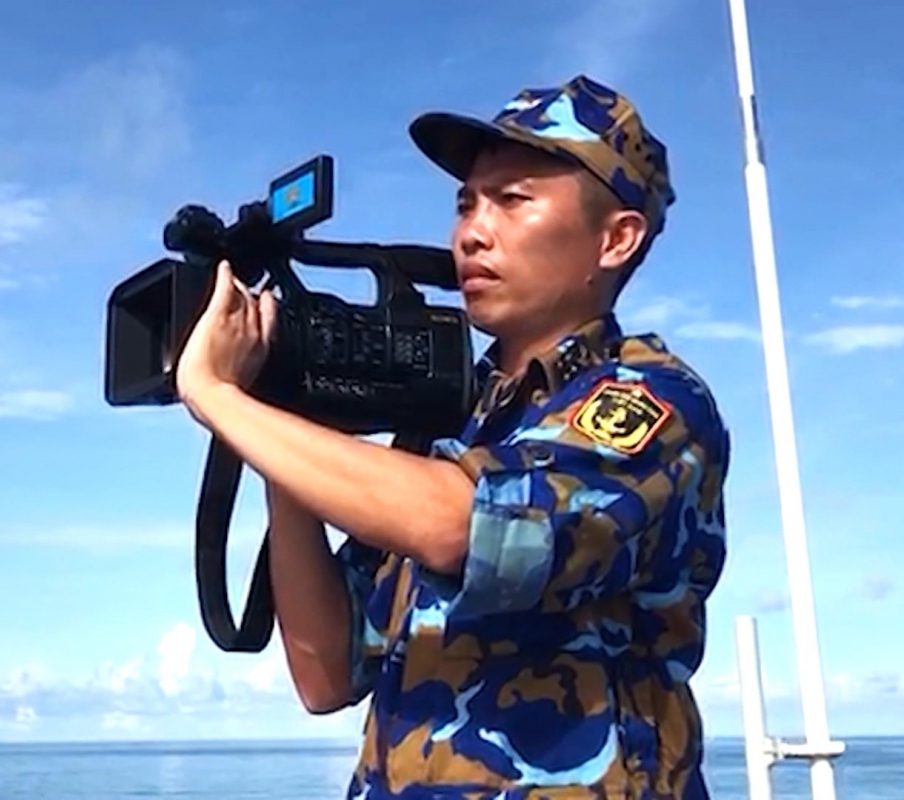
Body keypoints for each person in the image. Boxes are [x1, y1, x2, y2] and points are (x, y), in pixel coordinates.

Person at [173, 74, 730, 799]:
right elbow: (325, 671)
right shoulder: (449, 428)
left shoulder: (654, 401)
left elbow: (458, 527)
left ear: (615, 238)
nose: (471, 230)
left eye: (512, 200)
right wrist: (285, 415)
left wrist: (216, 397)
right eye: (466, 202)